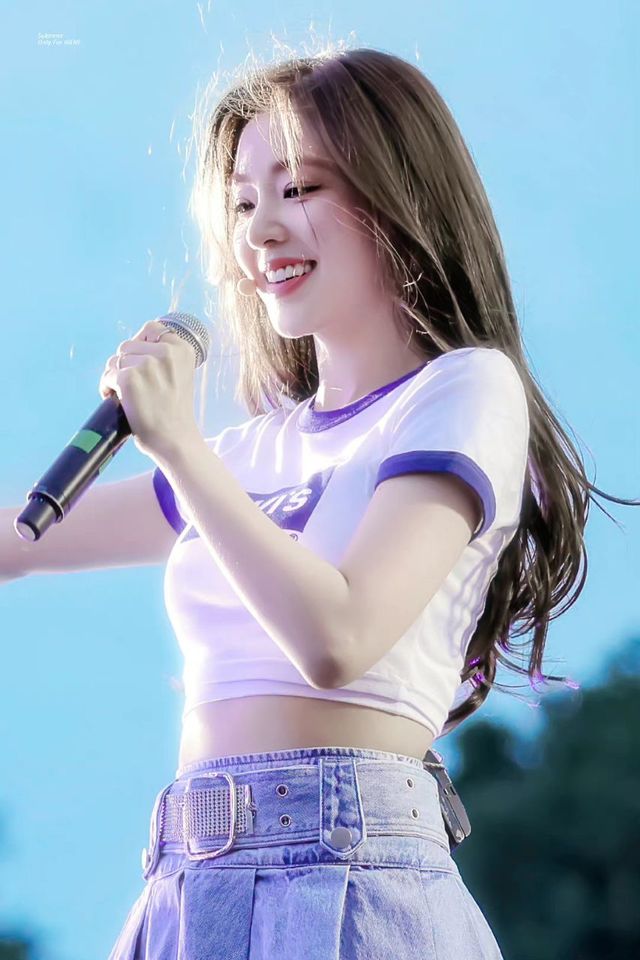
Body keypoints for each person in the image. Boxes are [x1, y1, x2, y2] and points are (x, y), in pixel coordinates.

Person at [1, 44, 637, 959]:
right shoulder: (248, 455)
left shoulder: (464, 391)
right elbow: (16, 542)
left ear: (400, 194)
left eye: (297, 189)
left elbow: (338, 638)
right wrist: (191, 459)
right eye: (241, 203)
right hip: (186, 886)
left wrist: (179, 447)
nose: (260, 231)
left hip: (353, 876)